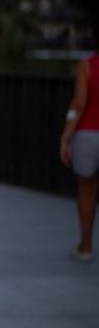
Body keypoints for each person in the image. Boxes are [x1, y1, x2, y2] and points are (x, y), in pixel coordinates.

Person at [59, 35, 99, 262]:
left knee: (87, 190)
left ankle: (86, 245)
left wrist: (66, 134)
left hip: (89, 135)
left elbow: (79, 103)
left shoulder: (87, 66)